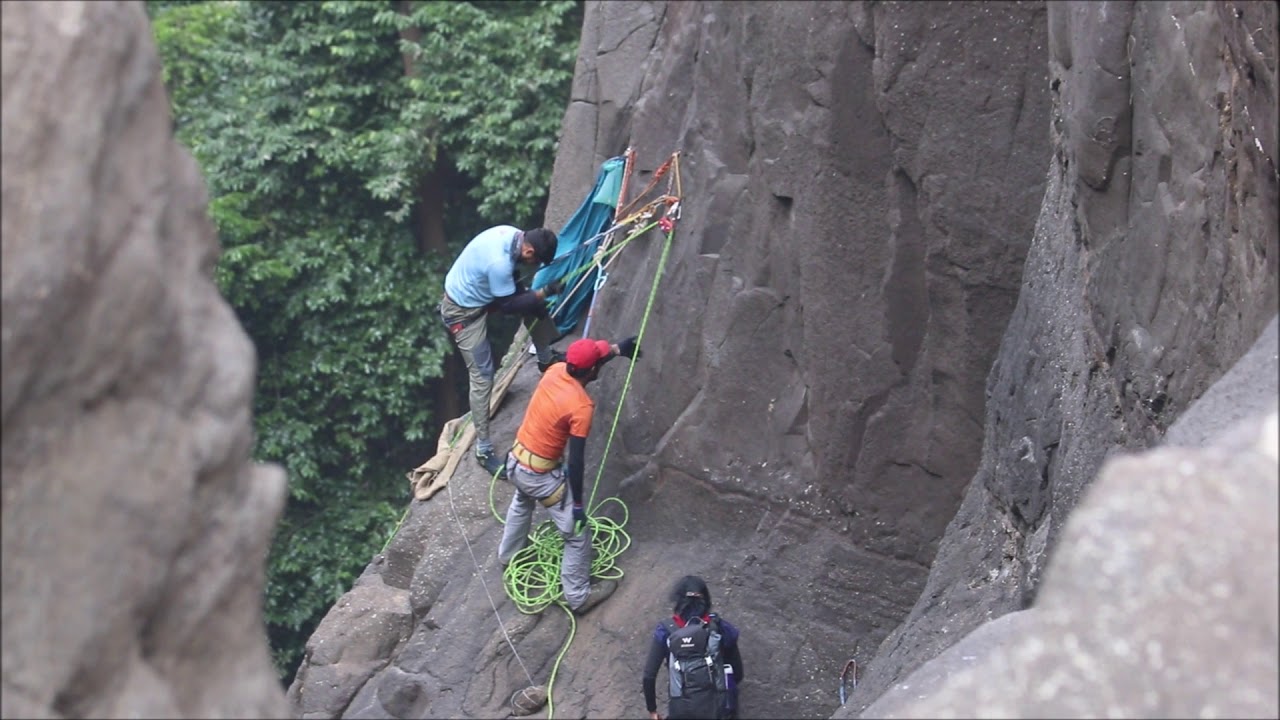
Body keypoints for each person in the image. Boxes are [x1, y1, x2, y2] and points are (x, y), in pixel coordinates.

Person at [496, 335, 642, 614]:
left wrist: (617, 349)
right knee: (577, 534)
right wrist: (576, 506)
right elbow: (575, 461)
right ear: (592, 370)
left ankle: (508, 555)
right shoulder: (580, 406)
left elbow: (590, 359)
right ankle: (577, 597)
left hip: (515, 461)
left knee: (522, 500)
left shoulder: (555, 370)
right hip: (539, 476)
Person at [440, 225, 566, 478]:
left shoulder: (513, 235)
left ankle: (545, 359)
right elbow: (509, 306)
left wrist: (536, 299)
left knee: (535, 307)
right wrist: (544, 292)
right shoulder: (499, 262)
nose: (534, 265)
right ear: (529, 250)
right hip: (463, 313)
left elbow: (513, 293)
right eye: (536, 261)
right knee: (482, 376)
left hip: (483, 294)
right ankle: (483, 449)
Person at [642, 576, 744, 720]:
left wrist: (652, 710)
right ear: (706, 598)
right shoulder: (719, 627)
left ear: (678, 599)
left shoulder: (666, 630)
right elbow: (738, 673)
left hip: (681, 710)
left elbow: (649, 675)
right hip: (720, 709)